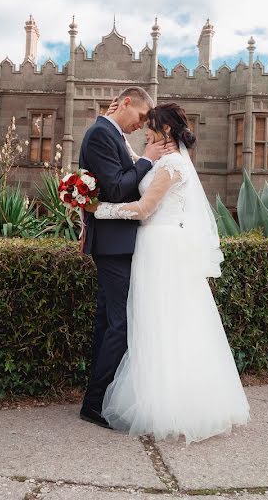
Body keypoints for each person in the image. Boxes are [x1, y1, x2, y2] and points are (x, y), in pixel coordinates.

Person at [91, 102, 250, 443]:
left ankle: (170, 404)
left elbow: (145, 208)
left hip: (160, 246)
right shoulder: (166, 160)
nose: (146, 130)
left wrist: (98, 210)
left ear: (165, 131)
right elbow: (139, 169)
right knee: (159, 321)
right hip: (157, 244)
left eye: (151, 126)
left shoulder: (173, 165)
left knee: (162, 321)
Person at [77, 86, 173, 428]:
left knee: (108, 322)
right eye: (142, 116)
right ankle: (95, 402)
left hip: (118, 242)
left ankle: (98, 398)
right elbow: (117, 188)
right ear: (127, 103)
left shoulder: (113, 135)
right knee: (121, 324)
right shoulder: (101, 134)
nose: (143, 125)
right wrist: (147, 158)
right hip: (113, 244)